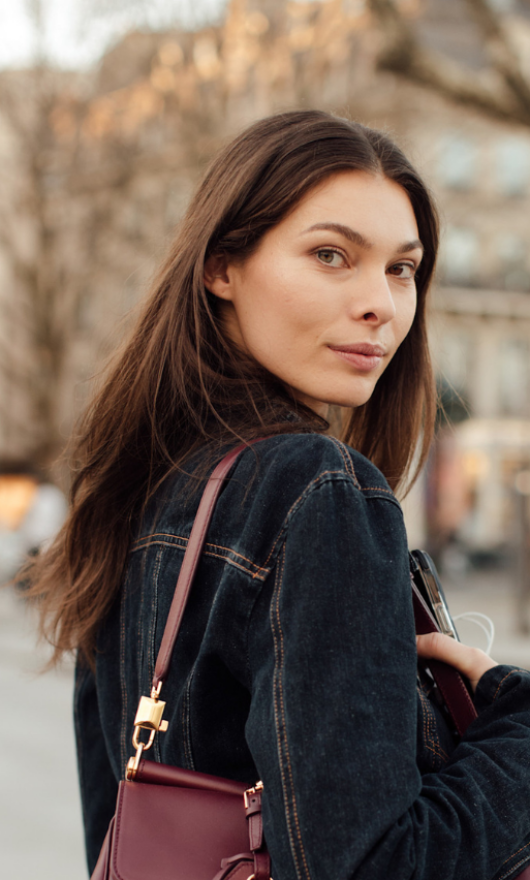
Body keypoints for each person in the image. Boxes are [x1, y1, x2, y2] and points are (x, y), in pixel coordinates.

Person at [27, 111, 530, 880]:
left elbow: (125, 834)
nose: (382, 306)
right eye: (332, 255)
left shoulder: (137, 488)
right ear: (221, 266)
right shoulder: (316, 491)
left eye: (402, 269)